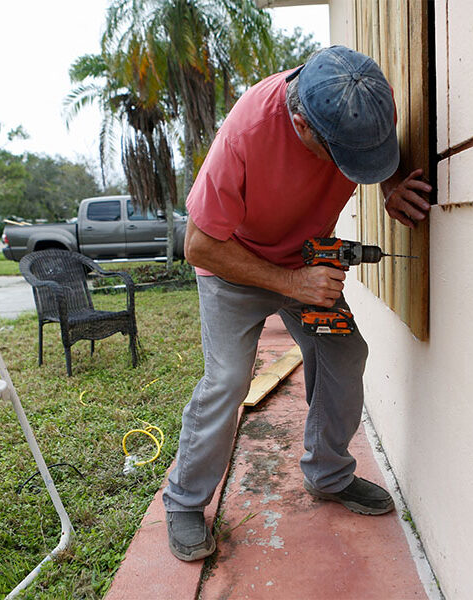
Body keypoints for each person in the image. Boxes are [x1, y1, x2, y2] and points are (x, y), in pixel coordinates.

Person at [162, 45, 432, 562]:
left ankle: (329, 476)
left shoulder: (363, 97)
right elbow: (197, 244)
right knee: (226, 381)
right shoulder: (245, 135)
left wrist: (391, 185)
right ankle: (185, 501)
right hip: (232, 265)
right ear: (303, 127)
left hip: (308, 259)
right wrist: (292, 284)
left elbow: (379, 145)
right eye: (344, 158)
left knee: (344, 354)